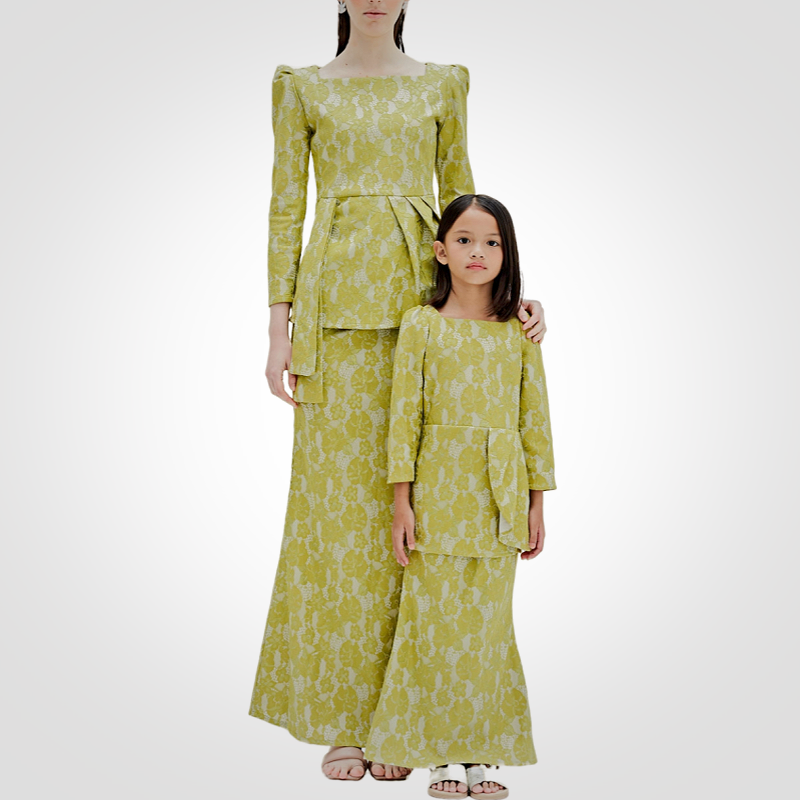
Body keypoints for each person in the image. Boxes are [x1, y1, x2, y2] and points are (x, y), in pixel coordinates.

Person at [250, 0, 547, 783]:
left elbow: (467, 207)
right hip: (334, 324)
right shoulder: (301, 87)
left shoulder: (444, 83)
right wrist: (279, 328)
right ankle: (347, 719)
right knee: (342, 525)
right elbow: (286, 206)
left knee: (425, 521)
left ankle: (414, 721)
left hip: (430, 316)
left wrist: (505, 299)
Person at [363, 194, 556, 799]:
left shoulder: (519, 331)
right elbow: (404, 418)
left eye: (492, 242)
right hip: (437, 493)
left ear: (507, 252)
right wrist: (402, 502)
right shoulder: (421, 325)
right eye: (465, 240)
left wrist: (537, 503)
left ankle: (481, 752)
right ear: (441, 251)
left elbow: (534, 419)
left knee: (487, 629)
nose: (479, 252)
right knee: (434, 626)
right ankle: (441, 754)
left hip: (501, 496)